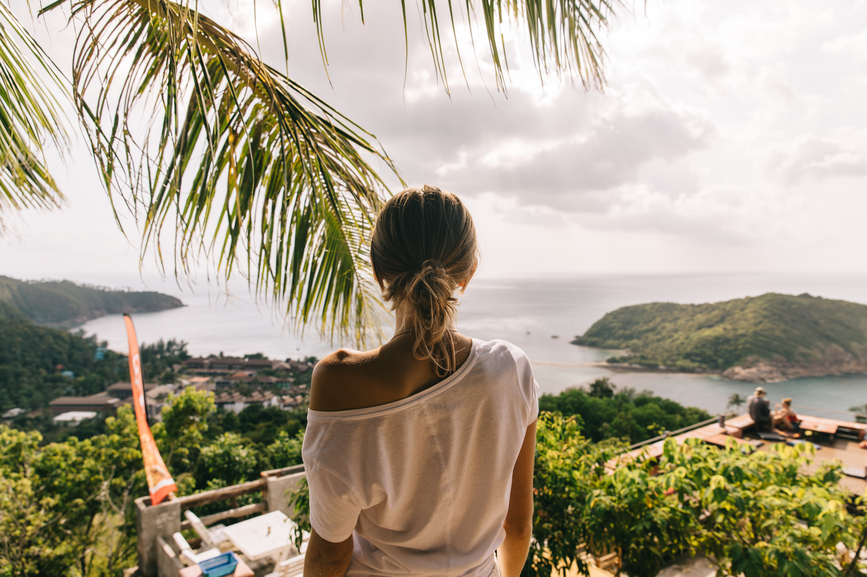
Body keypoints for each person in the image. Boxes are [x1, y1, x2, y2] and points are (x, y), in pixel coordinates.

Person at [301, 186, 539, 577]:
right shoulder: (512, 370)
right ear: (468, 274)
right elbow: (518, 526)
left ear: (378, 272)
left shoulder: (338, 382)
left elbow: (330, 552)